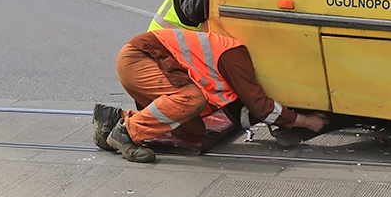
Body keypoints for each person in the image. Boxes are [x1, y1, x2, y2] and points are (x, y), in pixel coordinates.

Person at [93, 29, 330, 163]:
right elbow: (259, 105)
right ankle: (127, 132)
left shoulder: (233, 59)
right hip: (139, 57)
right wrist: (303, 121)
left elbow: (246, 113)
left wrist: (275, 120)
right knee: (191, 99)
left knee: (193, 132)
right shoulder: (235, 56)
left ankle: (114, 118)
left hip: (143, 60)